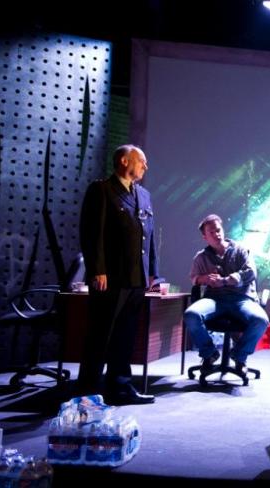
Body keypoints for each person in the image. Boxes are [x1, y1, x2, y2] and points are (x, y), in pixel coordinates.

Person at [77, 144, 158, 405]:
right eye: (141, 161)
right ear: (124, 161)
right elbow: (92, 233)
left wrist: (153, 272)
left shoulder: (143, 194)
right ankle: (88, 391)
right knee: (100, 334)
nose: (145, 166)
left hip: (136, 277)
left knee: (125, 335)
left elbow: (149, 236)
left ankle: (120, 387)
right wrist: (97, 269)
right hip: (110, 277)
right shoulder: (102, 190)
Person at [183, 214, 269, 375]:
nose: (217, 234)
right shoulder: (201, 257)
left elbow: (251, 273)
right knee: (191, 315)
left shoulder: (240, 250)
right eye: (211, 232)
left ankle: (239, 356)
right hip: (214, 299)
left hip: (242, 299)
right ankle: (209, 354)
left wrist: (227, 280)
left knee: (261, 320)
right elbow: (194, 278)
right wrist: (205, 279)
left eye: (218, 230)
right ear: (205, 237)